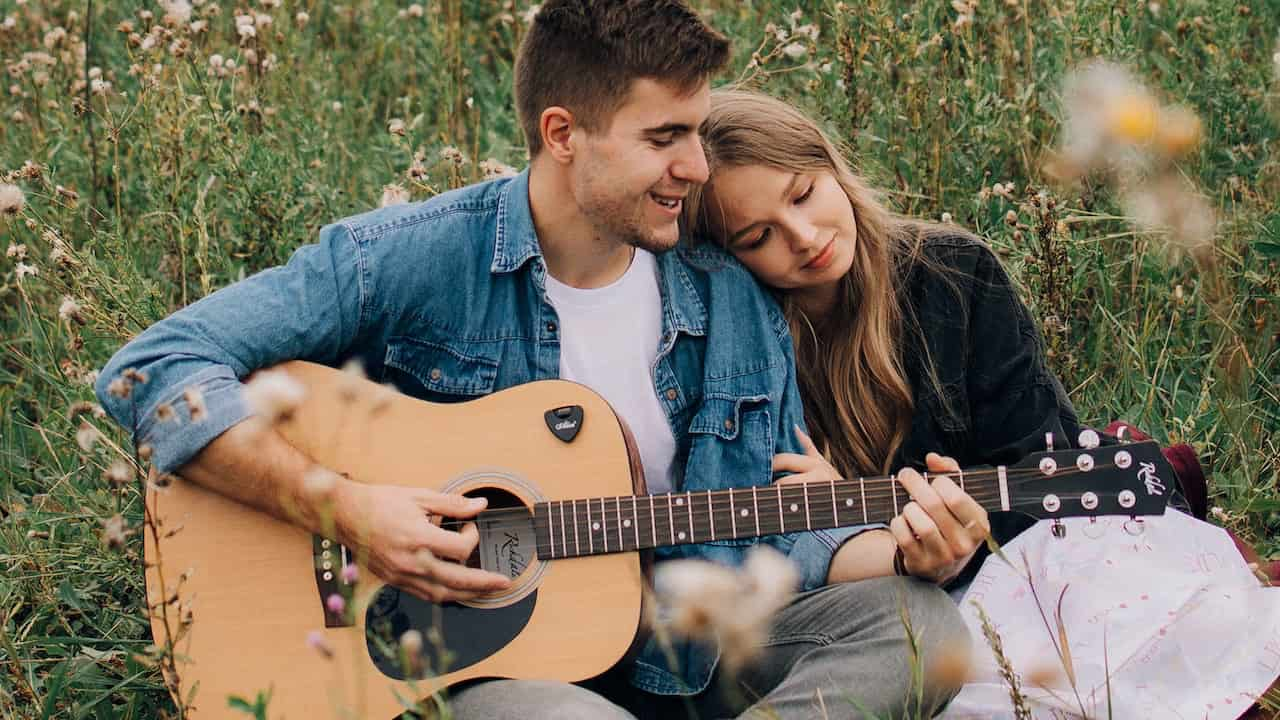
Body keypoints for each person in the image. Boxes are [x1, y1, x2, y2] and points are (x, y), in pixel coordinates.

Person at [94, 3, 967, 719]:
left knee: (923, 626)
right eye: (665, 137)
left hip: (688, 647)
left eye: (698, 133)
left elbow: (778, 533)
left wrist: (903, 549)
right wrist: (353, 510)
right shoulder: (412, 258)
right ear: (563, 133)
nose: (697, 168)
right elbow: (152, 370)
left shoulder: (730, 299)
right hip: (495, 666)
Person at [684, 88, 1085, 589]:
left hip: (1009, 573)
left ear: (830, 164)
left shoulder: (955, 273)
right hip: (860, 605)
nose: (804, 237)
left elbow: (1047, 467)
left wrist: (946, 536)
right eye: (758, 237)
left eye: (804, 194)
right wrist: (846, 535)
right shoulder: (733, 348)